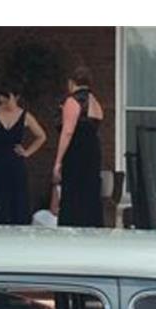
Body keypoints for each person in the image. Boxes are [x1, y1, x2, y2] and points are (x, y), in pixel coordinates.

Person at [0, 87, 47, 225]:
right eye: (1, 96)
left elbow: (41, 136)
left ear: (16, 97)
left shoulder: (25, 116)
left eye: (7, 97)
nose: (3, 100)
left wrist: (27, 152)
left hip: (15, 164)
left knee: (18, 200)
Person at [53, 66, 105, 227]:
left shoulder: (72, 101)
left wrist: (58, 161)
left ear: (71, 82)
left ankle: (73, 224)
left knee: (73, 191)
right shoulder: (95, 102)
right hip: (93, 151)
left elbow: (67, 132)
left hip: (77, 151)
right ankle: (91, 224)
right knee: (90, 191)